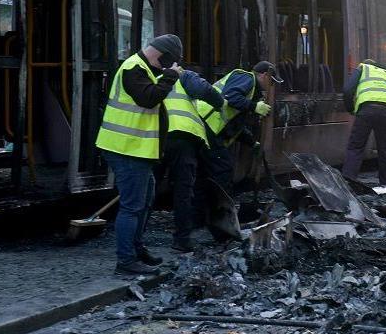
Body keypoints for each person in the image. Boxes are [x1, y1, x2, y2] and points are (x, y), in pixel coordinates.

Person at [95, 34, 183, 275]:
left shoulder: (142, 67)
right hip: (125, 148)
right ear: (161, 55)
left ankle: (136, 249)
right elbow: (149, 99)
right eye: (167, 62)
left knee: (144, 202)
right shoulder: (133, 68)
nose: (166, 67)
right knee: (132, 206)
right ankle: (125, 261)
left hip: (137, 149)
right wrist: (170, 77)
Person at [162, 69, 225, 253]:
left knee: (148, 189)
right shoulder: (184, 75)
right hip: (183, 137)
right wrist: (220, 102)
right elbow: (204, 90)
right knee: (184, 190)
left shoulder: (152, 75)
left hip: (155, 137)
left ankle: (136, 242)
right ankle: (182, 240)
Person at [195, 61, 281, 194]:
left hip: (207, 126)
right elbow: (230, 97)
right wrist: (254, 106)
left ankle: (206, 209)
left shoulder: (250, 90)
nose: (271, 86)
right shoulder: (246, 78)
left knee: (207, 171)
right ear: (264, 75)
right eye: (272, 81)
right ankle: (220, 208)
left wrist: (252, 143)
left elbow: (235, 125)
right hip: (206, 124)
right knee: (223, 168)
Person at [341, 59, 386, 185]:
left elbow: (347, 90)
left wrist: (351, 109)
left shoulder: (362, 68)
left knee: (356, 147)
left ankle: (348, 182)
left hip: (366, 110)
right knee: (385, 150)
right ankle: (385, 185)